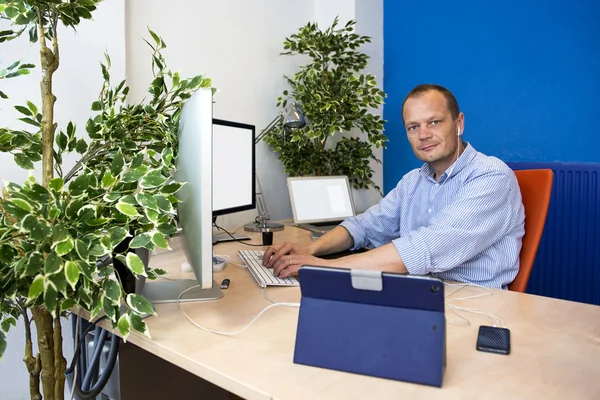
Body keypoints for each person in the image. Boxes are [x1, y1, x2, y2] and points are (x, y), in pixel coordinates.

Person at [262, 84, 525, 289]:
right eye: (413, 127)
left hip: (475, 304)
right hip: (414, 293)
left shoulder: (491, 177)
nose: (423, 135)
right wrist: (310, 250)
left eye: (434, 122)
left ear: (459, 124)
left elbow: (425, 248)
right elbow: (364, 226)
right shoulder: (413, 181)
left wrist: (320, 267)